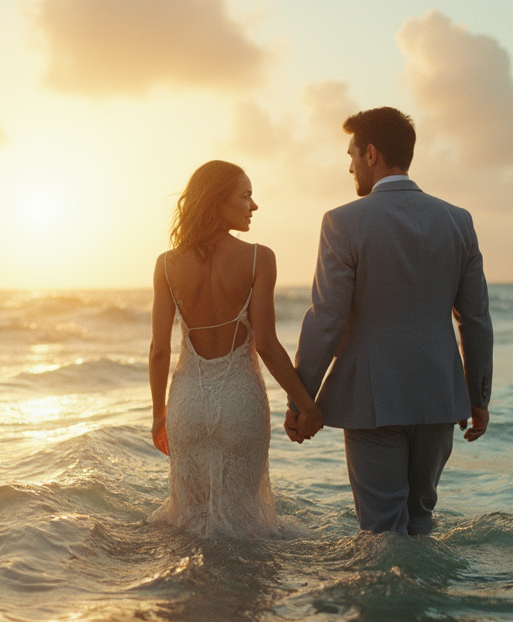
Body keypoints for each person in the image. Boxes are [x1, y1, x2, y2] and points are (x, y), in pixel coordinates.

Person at [287, 107, 493, 536]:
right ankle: (428, 603)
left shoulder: (342, 222)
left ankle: (387, 604)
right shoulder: (459, 221)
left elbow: (327, 317)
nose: (349, 166)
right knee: (421, 520)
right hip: (439, 396)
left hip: (371, 399)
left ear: (372, 154)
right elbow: (474, 319)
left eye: (351, 155)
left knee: (382, 532)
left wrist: (301, 400)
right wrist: (478, 397)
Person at [149, 160, 322, 538]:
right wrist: (306, 405)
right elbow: (267, 345)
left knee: (189, 526)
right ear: (216, 202)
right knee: (247, 528)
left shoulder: (166, 266)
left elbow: (159, 350)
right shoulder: (260, 258)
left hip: (187, 404)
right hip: (240, 402)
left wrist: (159, 415)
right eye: (245, 196)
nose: (253, 206)